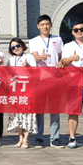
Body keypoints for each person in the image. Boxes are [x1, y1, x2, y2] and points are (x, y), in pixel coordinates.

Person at [29, 14, 64, 148]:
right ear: (38, 26)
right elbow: (35, 57)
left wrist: (61, 62)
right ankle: (39, 137)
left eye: (47, 24)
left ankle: (55, 138)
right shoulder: (34, 41)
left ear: (51, 25)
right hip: (40, 79)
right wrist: (41, 57)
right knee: (40, 110)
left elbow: (61, 57)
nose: (45, 27)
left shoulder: (58, 39)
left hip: (55, 78)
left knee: (55, 109)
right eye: (42, 24)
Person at [6, 38, 37, 149]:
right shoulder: (10, 60)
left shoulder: (29, 57)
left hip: (27, 90)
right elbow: (7, 75)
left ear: (22, 45)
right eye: (13, 47)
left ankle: (26, 139)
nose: (16, 48)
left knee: (28, 115)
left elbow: (36, 72)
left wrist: (28, 66)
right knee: (16, 116)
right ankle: (20, 137)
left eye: (18, 46)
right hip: (15, 91)